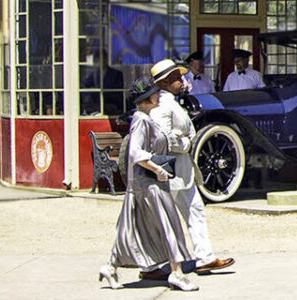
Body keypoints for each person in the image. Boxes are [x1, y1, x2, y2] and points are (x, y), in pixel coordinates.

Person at [98, 77, 198, 291]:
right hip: (149, 184)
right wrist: (158, 168)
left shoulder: (145, 118)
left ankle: (110, 266)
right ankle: (177, 272)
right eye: (154, 93)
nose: (158, 95)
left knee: (133, 228)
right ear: (146, 98)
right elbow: (135, 152)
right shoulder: (142, 120)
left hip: (145, 184)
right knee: (169, 224)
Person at [144, 59, 235, 280]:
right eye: (176, 77)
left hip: (182, 170)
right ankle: (151, 265)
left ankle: (204, 257)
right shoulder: (163, 106)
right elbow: (161, 139)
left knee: (195, 211)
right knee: (163, 217)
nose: (181, 81)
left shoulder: (171, 102)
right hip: (169, 170)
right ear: (165, 82)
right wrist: (185, 143)